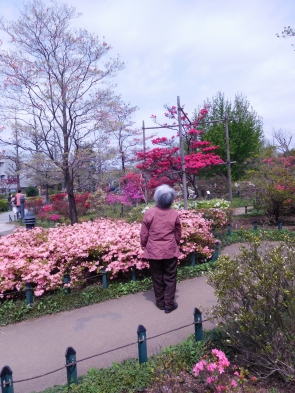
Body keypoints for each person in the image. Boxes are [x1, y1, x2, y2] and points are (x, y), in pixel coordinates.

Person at [140, 184, 181, 314]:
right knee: (170, 277)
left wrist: (144, 244)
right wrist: (176, 243)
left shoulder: (150, 213)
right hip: (170, 250)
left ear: (157, 198)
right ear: (171, 199)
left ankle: (160, 303)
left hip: (154, 251)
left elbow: (144, 234)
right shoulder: (174, 214)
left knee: (157, 277)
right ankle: (169, 305)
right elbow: (178, 233)